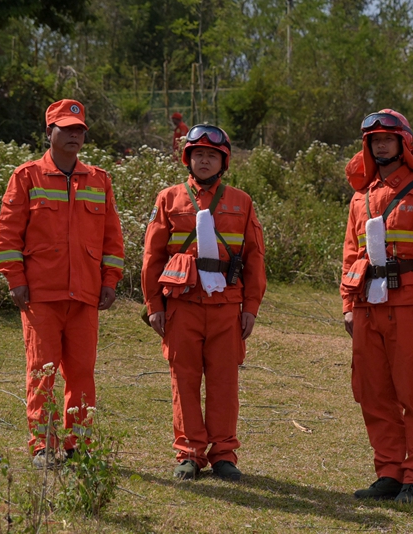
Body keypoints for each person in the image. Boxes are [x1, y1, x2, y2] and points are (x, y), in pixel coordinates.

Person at [0, 99, 125, 468]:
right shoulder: (26, 177)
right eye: (66, 129)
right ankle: (43, 445)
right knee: (42, 371)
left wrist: (110, 280)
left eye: (79, 130)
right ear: (49, 132)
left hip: (85, 295)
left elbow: (112, 239)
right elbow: (7, 235)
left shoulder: (100, 180)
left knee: (82, 372)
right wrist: (15, 280)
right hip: (40, 295)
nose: (74, 135)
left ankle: (77, 444)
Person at [142, 124, 266, 482]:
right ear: (188, 159)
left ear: (223, 160)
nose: (205, 160)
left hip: (228, 307)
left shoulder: (242, 201)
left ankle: (224, 454)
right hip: (181, 305)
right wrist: (154, 306)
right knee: (184, 380)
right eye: (199, 154)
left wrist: (251, 308)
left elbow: (255, 258)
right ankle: (190, 454)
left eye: (212, 155)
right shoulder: (168, 199)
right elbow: (152, 257)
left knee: (224, 382)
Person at [340, 109, 413, 505]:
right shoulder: (360, 196)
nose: (381, 144)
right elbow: (350, 253)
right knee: (373, 393)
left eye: (388, 138)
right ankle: (387, 472)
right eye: (374, 140)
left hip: (408, 307)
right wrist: (348, 306)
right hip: (367, 307)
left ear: (404, 143)